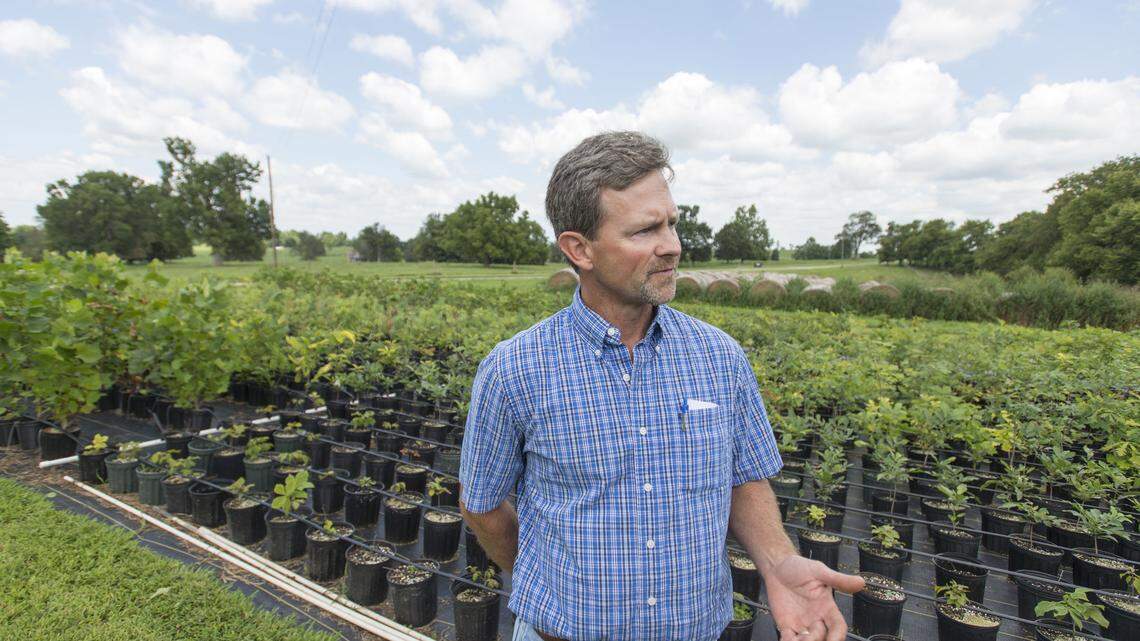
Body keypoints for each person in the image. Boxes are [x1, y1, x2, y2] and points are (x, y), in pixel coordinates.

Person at [459, 131, 864, 641]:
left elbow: (743, 476)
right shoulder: (516, 369)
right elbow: (482, 503)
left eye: (672, 222)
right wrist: (550, 581)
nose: (671, 245)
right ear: (579, 249)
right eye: (645, 230)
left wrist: (778, 562)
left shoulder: (719, 356)